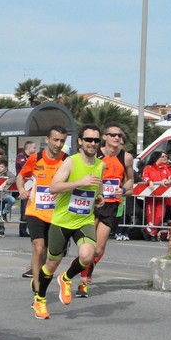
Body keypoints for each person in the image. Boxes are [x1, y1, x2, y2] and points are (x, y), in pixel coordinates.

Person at [31, 123, 104, 319]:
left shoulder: (100, 164)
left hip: (84, 220)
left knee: (89, 255)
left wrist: (99, 197)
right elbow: (54, 187)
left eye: (96, 140)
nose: (92, 143)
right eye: (88, 139)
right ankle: (40, 299)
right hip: (62, 221)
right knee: (51, 264)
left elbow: (97, 188)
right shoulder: (70, 162)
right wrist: (79, 182)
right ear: (80, 141)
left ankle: (67, 278)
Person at [78, 122, 134, 297]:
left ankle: (85, 272)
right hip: (93, 202)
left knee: (98, 249)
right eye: (113, 135)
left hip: (111, 205)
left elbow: (131, 180)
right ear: (104, 138)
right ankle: (83, 281)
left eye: (119, 135)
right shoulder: (95, 154)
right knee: (88, 245)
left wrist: (123, 189)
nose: (117, 138)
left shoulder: (126, 157)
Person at [16, 126, 68, 295]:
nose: (58, 144)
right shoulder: (35, 158)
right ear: (47, 140)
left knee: (50, 253)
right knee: (38, 248)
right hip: (36, 211)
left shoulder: (67, 161)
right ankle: (39, 292)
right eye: (55, 140)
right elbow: (20, 176)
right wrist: (21, 189)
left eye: (62, 141)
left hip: (57, 214)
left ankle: (38, 275)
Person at [141, 151, 171, 242]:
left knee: (160, 215)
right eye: (162, 157)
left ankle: (147, 230)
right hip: (151, 198)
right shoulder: (148, 168)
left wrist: (168, 180)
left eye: (166, 156)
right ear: (156, 158)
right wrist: (149, 182)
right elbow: (145, 177)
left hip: (162, 199)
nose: (165, 158)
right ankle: (152, 235)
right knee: (151, 217)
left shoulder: (165, 168)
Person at [16, 141, 37, 238]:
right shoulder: (21, 156)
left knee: (30, 208)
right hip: (23, 186)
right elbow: (25, 168)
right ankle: (22, 230)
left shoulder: (32, 158)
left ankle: (29, 229)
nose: (35, 149)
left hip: (32, 187)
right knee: (24, 209)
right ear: (29, 148)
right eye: (34, 147)